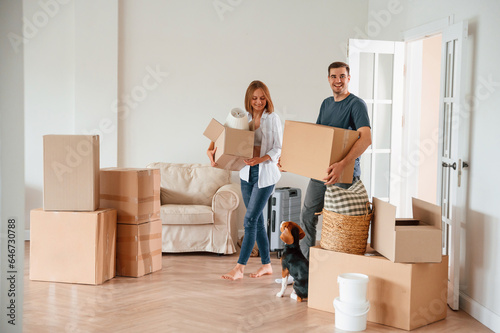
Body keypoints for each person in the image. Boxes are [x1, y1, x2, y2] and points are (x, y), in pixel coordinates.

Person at [207, 80, 283, 280]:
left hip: (265, 174)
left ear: (267, 98)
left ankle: (239, 268)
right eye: (255, 98)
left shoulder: (272, 118)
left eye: (262, 97)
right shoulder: (243, 118)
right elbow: (222, 134)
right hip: (246, 173)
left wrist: (261, 158)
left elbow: (278, 148)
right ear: (249, 99)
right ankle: (266, 265)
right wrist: (211, 150)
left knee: (249, 220)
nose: (259, 102)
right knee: (256, 221)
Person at [299, 61, 372, 260]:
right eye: (333, 76)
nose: (337, 80)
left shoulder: (356, 105)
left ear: (348, 78)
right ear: (328, 79)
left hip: (343, 175)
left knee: (341, 224)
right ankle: (306, 270)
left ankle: (339, 268)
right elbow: (317, 138)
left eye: (342, 76)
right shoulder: (326, 104)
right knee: (307, 216)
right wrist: (291, 161)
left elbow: (366, 139)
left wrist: (342, 165)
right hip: (321, 172)